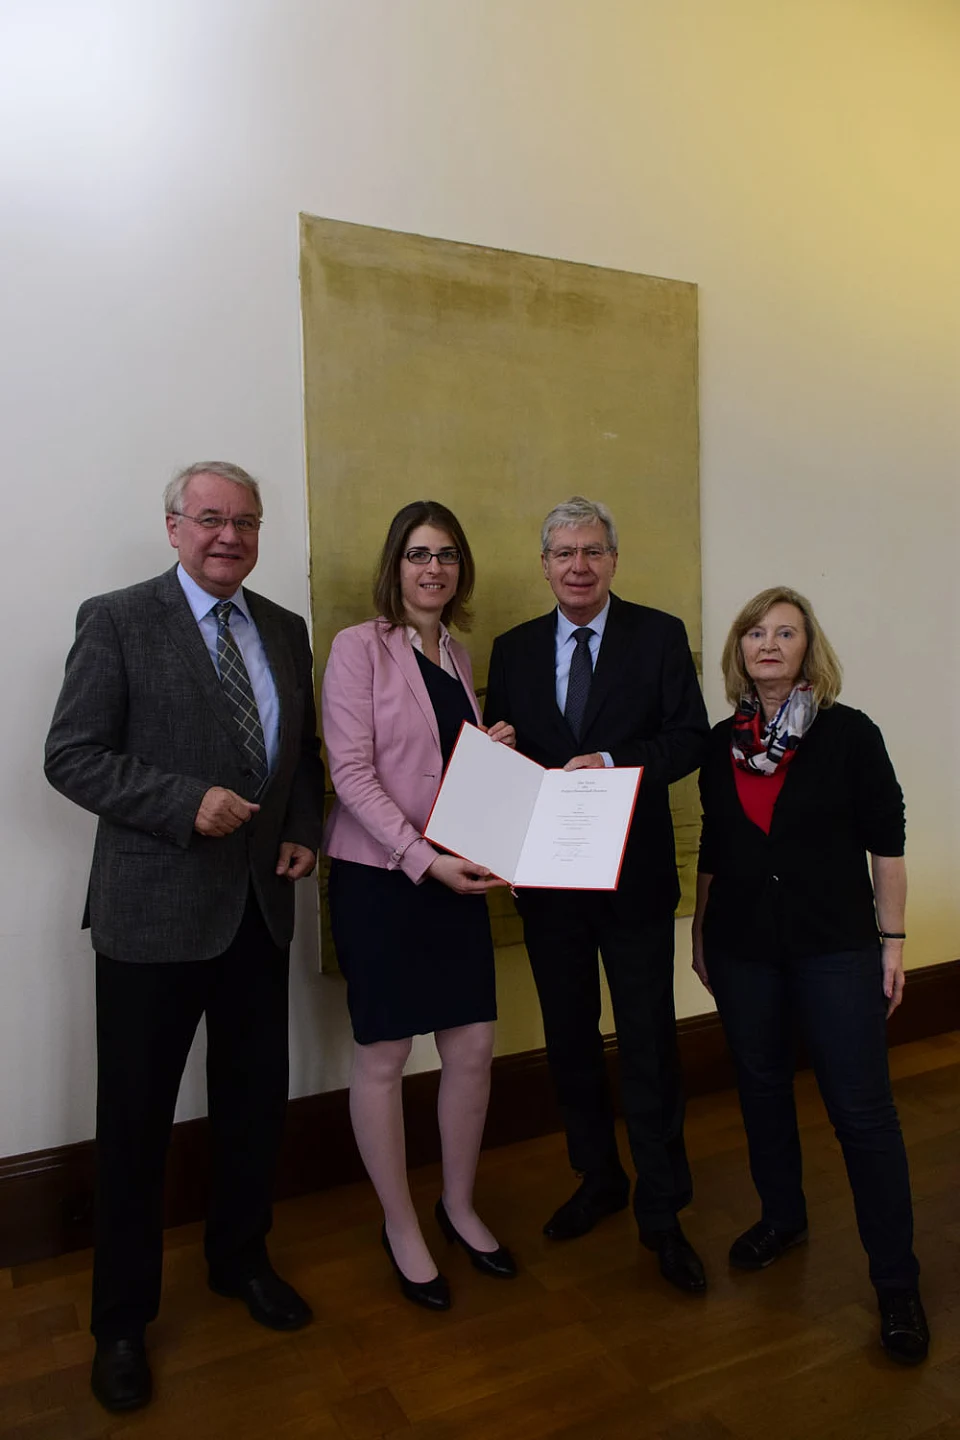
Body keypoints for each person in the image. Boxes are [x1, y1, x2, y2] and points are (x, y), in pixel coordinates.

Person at [44, 462, 325, 1412]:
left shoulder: (284, 629)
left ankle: (238, 1260)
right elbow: (71, 755)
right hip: (151, 917)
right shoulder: (117, 619)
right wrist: (180, 803)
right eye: (210, 520)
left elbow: (306, 758)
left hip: (257, 913)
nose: (229, 537)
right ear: (172, 527)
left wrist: (301, 829)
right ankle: (121, 1322)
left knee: (254, 1107)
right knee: (135, 1129)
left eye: (246, 522)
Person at [691, 585, 927, 1364]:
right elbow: (716, 853)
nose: (768, 644)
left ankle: (897, 1283)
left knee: (862, 1114)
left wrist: (892, 941)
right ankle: (781, 1216)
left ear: (807, 648)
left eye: (784, 632)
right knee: (760, 1089)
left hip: (836, 947)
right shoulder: (720, 742)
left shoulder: (850, 735)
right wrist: (701, 936)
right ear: (739, 649)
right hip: (743, 948)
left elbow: (885, 845)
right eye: (755, 632)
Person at [484, 497, 710, 1293]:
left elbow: (690, 738)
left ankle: (664, 1209)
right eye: (564, 553)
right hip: (550, 884)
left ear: (614, 560)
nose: (578, 565)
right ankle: (598, 1177)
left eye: (593, 551)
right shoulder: (510, 651)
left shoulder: (659, 635)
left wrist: (612, 760)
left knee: (649, 1042)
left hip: (635, 877)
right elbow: (498, 761)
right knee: (570, 1039)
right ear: (544, 564)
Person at [321, 500, 518, 1310]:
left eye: (444, 554)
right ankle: (401, 1222)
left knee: (472, 1045)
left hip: (454, 877)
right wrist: (421, 861)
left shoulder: (459, 654)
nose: (431, 567)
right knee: (385, 1057)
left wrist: (488, 755)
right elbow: (352, 773)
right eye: (415, 553)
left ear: (459, 569)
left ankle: (459, 1205)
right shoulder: (356, 649)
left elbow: (439, 769)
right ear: (393, 566)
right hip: (382, 880)